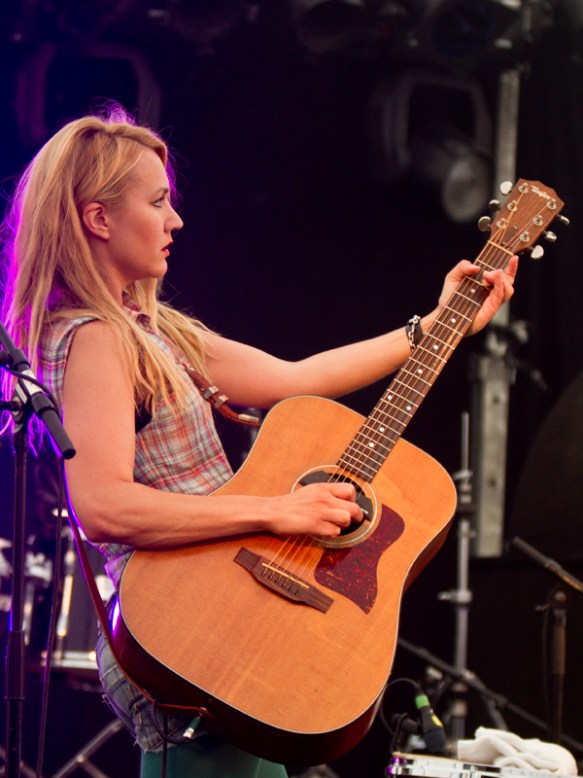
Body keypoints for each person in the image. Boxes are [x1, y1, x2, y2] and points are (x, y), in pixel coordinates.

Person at [0, 106, 517, 778]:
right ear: (98, 219)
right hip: (186, 633)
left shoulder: (150, 329)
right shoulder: (92, 337)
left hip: (217, 616)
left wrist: (439, 322)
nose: (175, 221)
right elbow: (104, 508)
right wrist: (279, 510)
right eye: (157, 203)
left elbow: (293, 379)